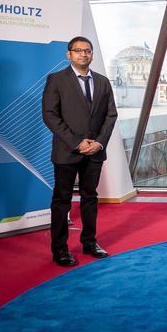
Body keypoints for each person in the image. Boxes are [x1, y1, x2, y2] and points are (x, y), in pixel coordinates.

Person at [42, 36, 117, 267]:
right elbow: (50, 115)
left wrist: (99, 143)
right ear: (69, 54)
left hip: (94, 151)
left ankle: (89, 242)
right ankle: (60, 249)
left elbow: (110, 115)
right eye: (78, 51)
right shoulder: (56, 80)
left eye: (87, 51)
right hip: (67, 151)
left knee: (90, 198)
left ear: (92, 54)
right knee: (62, 200)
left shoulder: (103, 82)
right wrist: (77, 142)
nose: (83, 54)